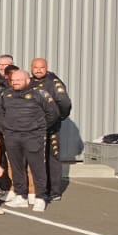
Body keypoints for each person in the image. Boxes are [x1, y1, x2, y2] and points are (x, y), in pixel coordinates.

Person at [0, 68, 58, 212]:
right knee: (16, 167)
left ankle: (40, 197)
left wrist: (39, 127)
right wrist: (6, 128)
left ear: (28, 80)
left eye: (19, 80)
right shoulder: (6, 94)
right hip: (12, 136)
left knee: (37, 167)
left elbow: (53, 112)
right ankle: (21, 196)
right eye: (13, 80)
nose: (15, 83)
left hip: (33, 136)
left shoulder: (39, 93)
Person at [30, 57, 73, 201]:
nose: (38, 70)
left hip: (51, 127)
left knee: (52, 158)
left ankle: (54, 191)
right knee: (36, 158)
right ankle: (40, 189)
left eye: (41, 67)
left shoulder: (53, 82)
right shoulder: (29, 82)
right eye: (35, 67)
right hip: (34, 128)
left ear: (46, 67)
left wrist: (59, 117)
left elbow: (64, 103)